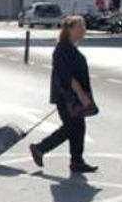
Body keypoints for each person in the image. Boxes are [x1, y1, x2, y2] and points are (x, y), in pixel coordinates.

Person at [29, 16, 98, 175]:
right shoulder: (62, 49)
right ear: (69, 29)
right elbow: (67, 76)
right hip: (67, 97)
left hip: (70, 96)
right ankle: (41, 148)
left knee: (76, 128)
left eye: (84, 27)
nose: (83, 31)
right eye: (79, 27)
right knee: (72, 127)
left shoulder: (70, 47)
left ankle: (76, 161)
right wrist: (81, 94)